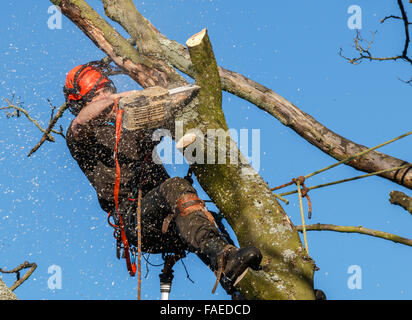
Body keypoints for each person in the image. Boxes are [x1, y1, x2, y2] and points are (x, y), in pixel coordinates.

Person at [63, 61, 262, 295]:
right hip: (135, 221)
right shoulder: (81, 138)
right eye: (98, 94)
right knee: (175, 186)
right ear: (81, 102)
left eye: (108, 89)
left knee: (211, 219)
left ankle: (252, 289)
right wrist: (117, 100)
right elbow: (81, 122)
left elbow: (169, 115)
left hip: (169, 214)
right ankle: (225, 258)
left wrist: (163, 97)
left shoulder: (131, 122)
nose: (106, 95)